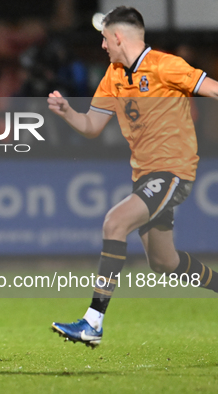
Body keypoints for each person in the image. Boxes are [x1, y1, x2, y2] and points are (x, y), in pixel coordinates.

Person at [47, 6, 218, 347]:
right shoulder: (114, 75)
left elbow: (213, 88)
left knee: (114, 222)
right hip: (145, 176)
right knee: (164, 262)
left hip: (173, 171)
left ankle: (93, 322)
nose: (102, 46)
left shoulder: (165, 65)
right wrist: (68, 113)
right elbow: (92, 126)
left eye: (104, 38)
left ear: (118, 36)